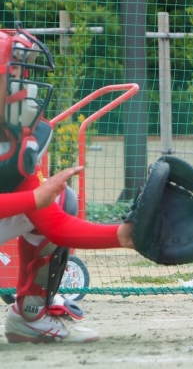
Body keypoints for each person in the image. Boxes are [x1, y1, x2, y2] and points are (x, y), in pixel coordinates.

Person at [0, 26, 135, 343]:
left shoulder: (13, 139)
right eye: (15, 75)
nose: (26, 87)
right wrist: (34, 199)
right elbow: (34, 201)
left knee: (61, 200)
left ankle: (30, 315)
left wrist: (125, 235)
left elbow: (55, 224)